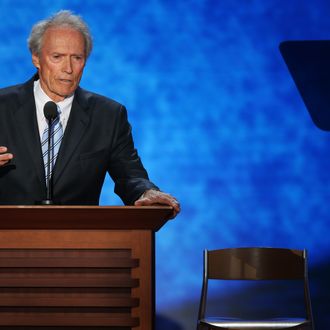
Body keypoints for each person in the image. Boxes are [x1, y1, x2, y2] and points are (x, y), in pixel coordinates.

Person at [0, 10, 180, 217]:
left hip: (79, 241)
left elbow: (130, 177)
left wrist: (147, 192)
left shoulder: (108, 116)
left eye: (76, 57)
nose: (68, 68)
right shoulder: (2, 107)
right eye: (57, 57)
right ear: (36, 59)